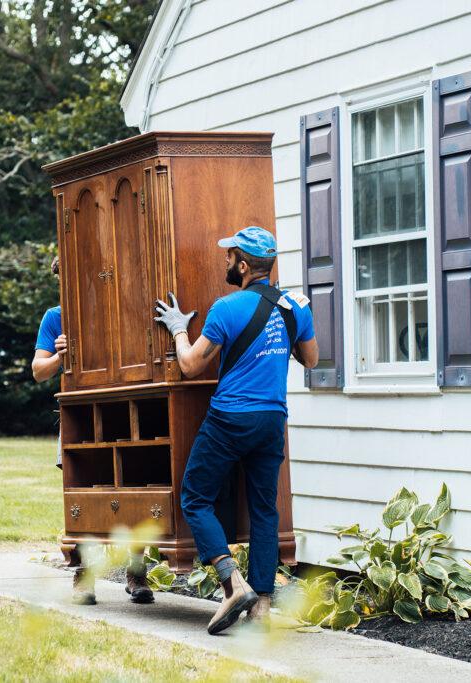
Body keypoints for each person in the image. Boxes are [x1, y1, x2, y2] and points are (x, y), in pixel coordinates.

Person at [153, 226, 319, 635]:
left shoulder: (226, 308)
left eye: (230, 257)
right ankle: (261, 606)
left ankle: (232, 583)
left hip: (230, 419)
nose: (226, 261)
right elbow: (311, 361)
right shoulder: (295, 307)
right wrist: (289, 328)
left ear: (244, 265)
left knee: (194, 496)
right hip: (271, 420)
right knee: (265, 509)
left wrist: (177, 327)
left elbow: (191, 364)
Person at [31, 257, 153, 607]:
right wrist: (58, 357)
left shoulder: (121, 309)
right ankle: (83, 576)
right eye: (63, 281)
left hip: (128, 407)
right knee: (82, 495)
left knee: (137, 491)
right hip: (79, 416)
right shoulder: (55, 318)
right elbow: (38, 370)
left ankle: (136, 573)